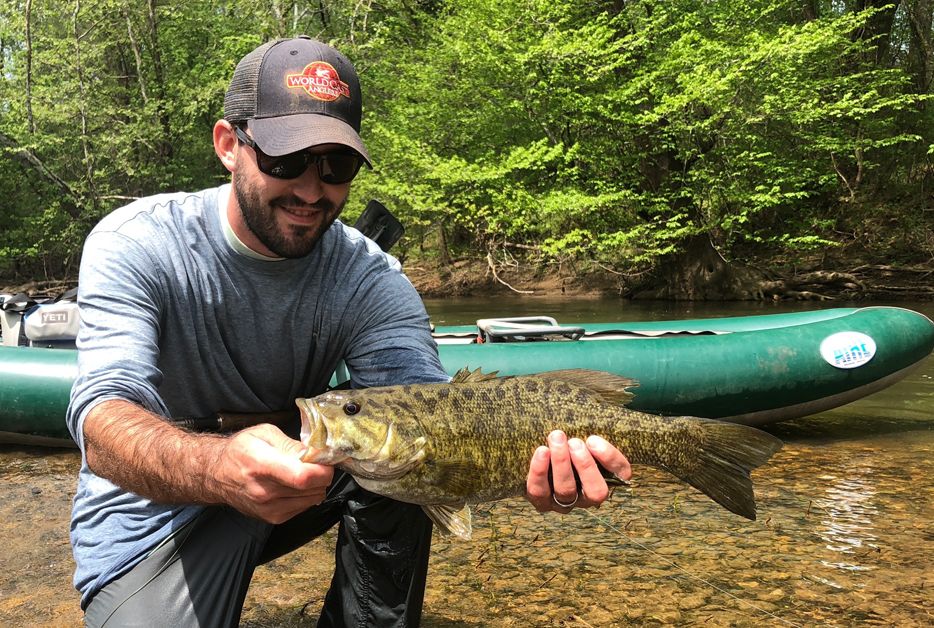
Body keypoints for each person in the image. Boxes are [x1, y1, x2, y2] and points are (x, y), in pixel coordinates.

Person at [66, 36, 632, 628]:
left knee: (401, 460)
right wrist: (217, 468)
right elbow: (103, 422)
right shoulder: (136, 244)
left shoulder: (370, 278)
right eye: (285, 160)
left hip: (303, 477)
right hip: (153, 520)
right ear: (229, 145)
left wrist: (521, 466)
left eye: (335, 166)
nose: (312, 191)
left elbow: (434, 418)